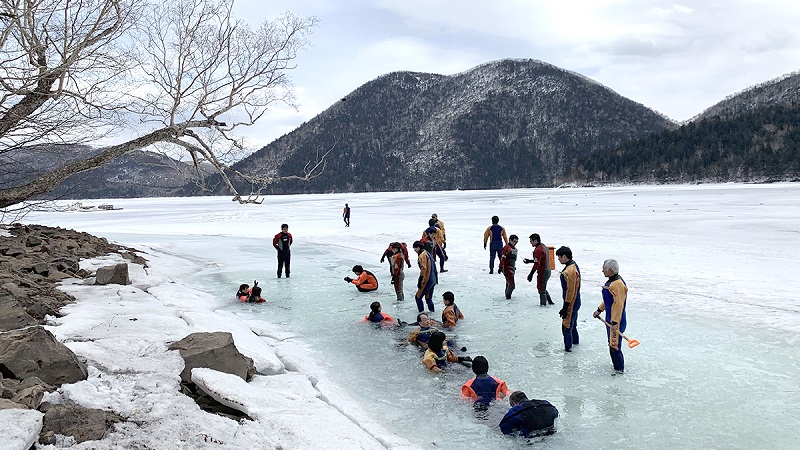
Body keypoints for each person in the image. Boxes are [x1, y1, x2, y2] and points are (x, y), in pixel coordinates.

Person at [593, 259, 628, 373]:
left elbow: (618, 305)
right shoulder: (612, 283)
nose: (602, 270)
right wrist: (599, 309)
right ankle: (617, 367)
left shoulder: (617, 284)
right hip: (611, 318)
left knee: (614, 347)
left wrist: (615, 322)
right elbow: (609, 300)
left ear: (610, 270)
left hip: (616, 320)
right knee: (612, 345)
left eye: (604, 268)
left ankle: (619, 371)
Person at [556, 246, 581, 352]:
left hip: (571, 302)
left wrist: (565, 307)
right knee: (573, 324)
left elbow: (570, 291)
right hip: (576, 300)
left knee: (566, 326)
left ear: (565, 257)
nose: (558, 259)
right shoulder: (573, 265)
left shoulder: (570, 271)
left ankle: (568, 349)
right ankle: (575, 343)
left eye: (559, 257)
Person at [525, 233, 554, 306]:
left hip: (543, 271)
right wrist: (529, 261)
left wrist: (531, 274)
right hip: (548, 270)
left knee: (541, 288)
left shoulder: (538, 250)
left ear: (535, 240)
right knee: (542, 286)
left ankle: (543, 305)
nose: (530, 243)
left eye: (531, 241)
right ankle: (550, 302)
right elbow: (539, 260)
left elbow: (537, 264)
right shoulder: (543, 246)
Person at [412, 240, 437, 313]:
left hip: (427, 279)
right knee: (428, 298)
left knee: (418, 297)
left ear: (418, 247)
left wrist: (420, 280)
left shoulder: (422, 255)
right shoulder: (428, 253)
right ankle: (432, 312)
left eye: (415, 248)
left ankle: (421, 314)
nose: (415, 250)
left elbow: (424, 268)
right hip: (433, 279)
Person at [499, 235, 519, 299]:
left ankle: (507, 295)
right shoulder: (506, 248)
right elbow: (503, 258)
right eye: (514, 241)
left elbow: (513, 259)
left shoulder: (514, 249)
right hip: (507, 268)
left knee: (508, 283)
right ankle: (508, 296)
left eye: (516, 242)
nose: (515, 243)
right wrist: (501, 266)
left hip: (511, 267)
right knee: (511, 284)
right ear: (510, 240)